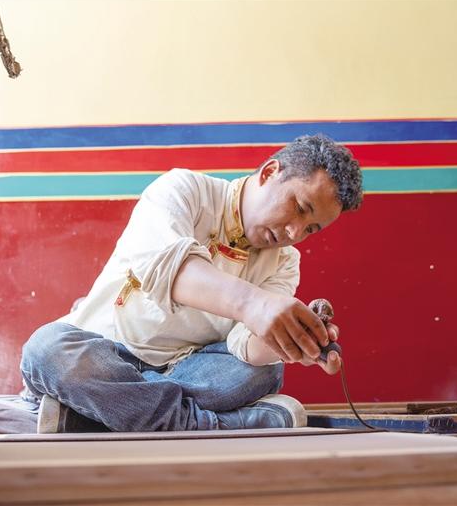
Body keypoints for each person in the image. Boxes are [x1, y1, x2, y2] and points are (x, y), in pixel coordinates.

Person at [20, 134, 363, 432]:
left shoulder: (285, 261)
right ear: (270, 172)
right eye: (299, 208)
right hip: (106, 352)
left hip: (185, 369)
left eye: (311, 229)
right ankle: (206, 423)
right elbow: (170, 270)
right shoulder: (184, 189)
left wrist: (292, 342)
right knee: (47, 350)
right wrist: (256, 304)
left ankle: (95, 413)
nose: (294, 232)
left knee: (266, 372)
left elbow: (245, 343)